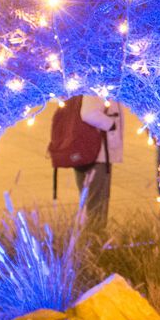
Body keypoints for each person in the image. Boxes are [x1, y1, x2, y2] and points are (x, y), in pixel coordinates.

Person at [47, 93, 123, 237]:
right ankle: (94, 244)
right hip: (96, 153)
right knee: (97, 204)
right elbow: (88, 114)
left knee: (88, 200)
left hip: (82, 151)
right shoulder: (96, 87)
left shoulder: (83, 85)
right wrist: (111, 124)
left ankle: (86, 241)